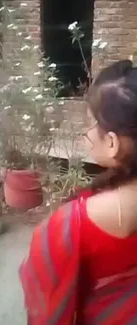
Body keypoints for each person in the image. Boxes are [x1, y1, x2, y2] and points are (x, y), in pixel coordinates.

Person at [20, 59, 137, 324]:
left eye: (91, 123)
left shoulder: (69, 227)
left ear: (111, 143)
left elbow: (46, 310)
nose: (85, 133)